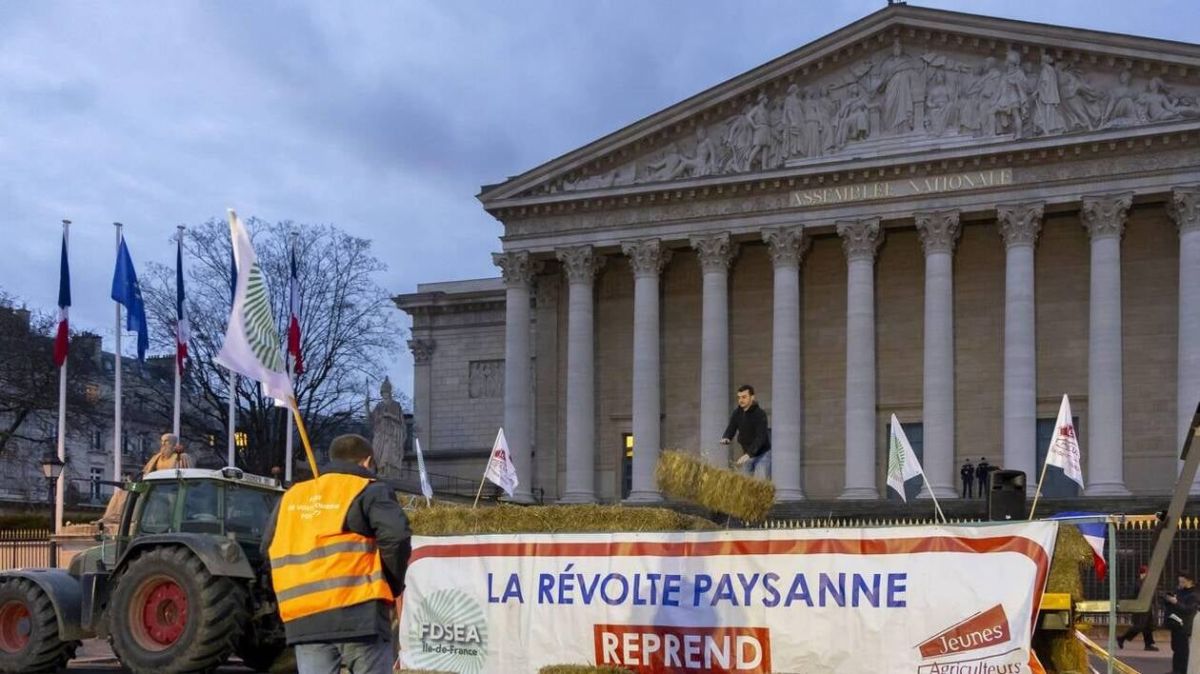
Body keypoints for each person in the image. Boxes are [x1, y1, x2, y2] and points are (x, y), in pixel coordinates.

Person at [263, 434, 412, 674]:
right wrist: (392, 586)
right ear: (367, 461)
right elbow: (396, 536)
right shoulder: (369, 489)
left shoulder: (291, 496)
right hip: (360, 611)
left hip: (305, 617)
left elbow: (267, 548)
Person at [721, 384, 771, 479]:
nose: (741, 400)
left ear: (752, 397)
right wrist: (727, 437)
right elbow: (732, 427)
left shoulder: (760, 414)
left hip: (762, 454)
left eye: (744, 397)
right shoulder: (737, 413)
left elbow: (761, 437)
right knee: (744, 480)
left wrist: (749, 454)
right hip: (747, 453)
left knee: (760, 481)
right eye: (739, 397)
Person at [1164, 569, 1198, 674]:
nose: (1180, 584)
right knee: (1175, 648)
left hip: (1184, 625)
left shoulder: (1194, 594)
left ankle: (1182, 670)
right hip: (1175, 624)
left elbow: (1188, 610)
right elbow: (1171, 604)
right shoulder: (1179, 590)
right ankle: (1176, 669)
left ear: (1190, 581)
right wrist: (1168, 599)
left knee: (1182, 650)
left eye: (1183, 582)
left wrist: (1176, 602)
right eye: (1179, 582)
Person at [1118, 564, 1158, 651]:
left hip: (1147, 607)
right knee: (1139, 626)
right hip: (1140, 608)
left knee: (1148, 626)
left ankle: (1148, 644)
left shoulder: (1147, 583)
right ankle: (1122, 638)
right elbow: (1134, 595)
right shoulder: (1138, 583)